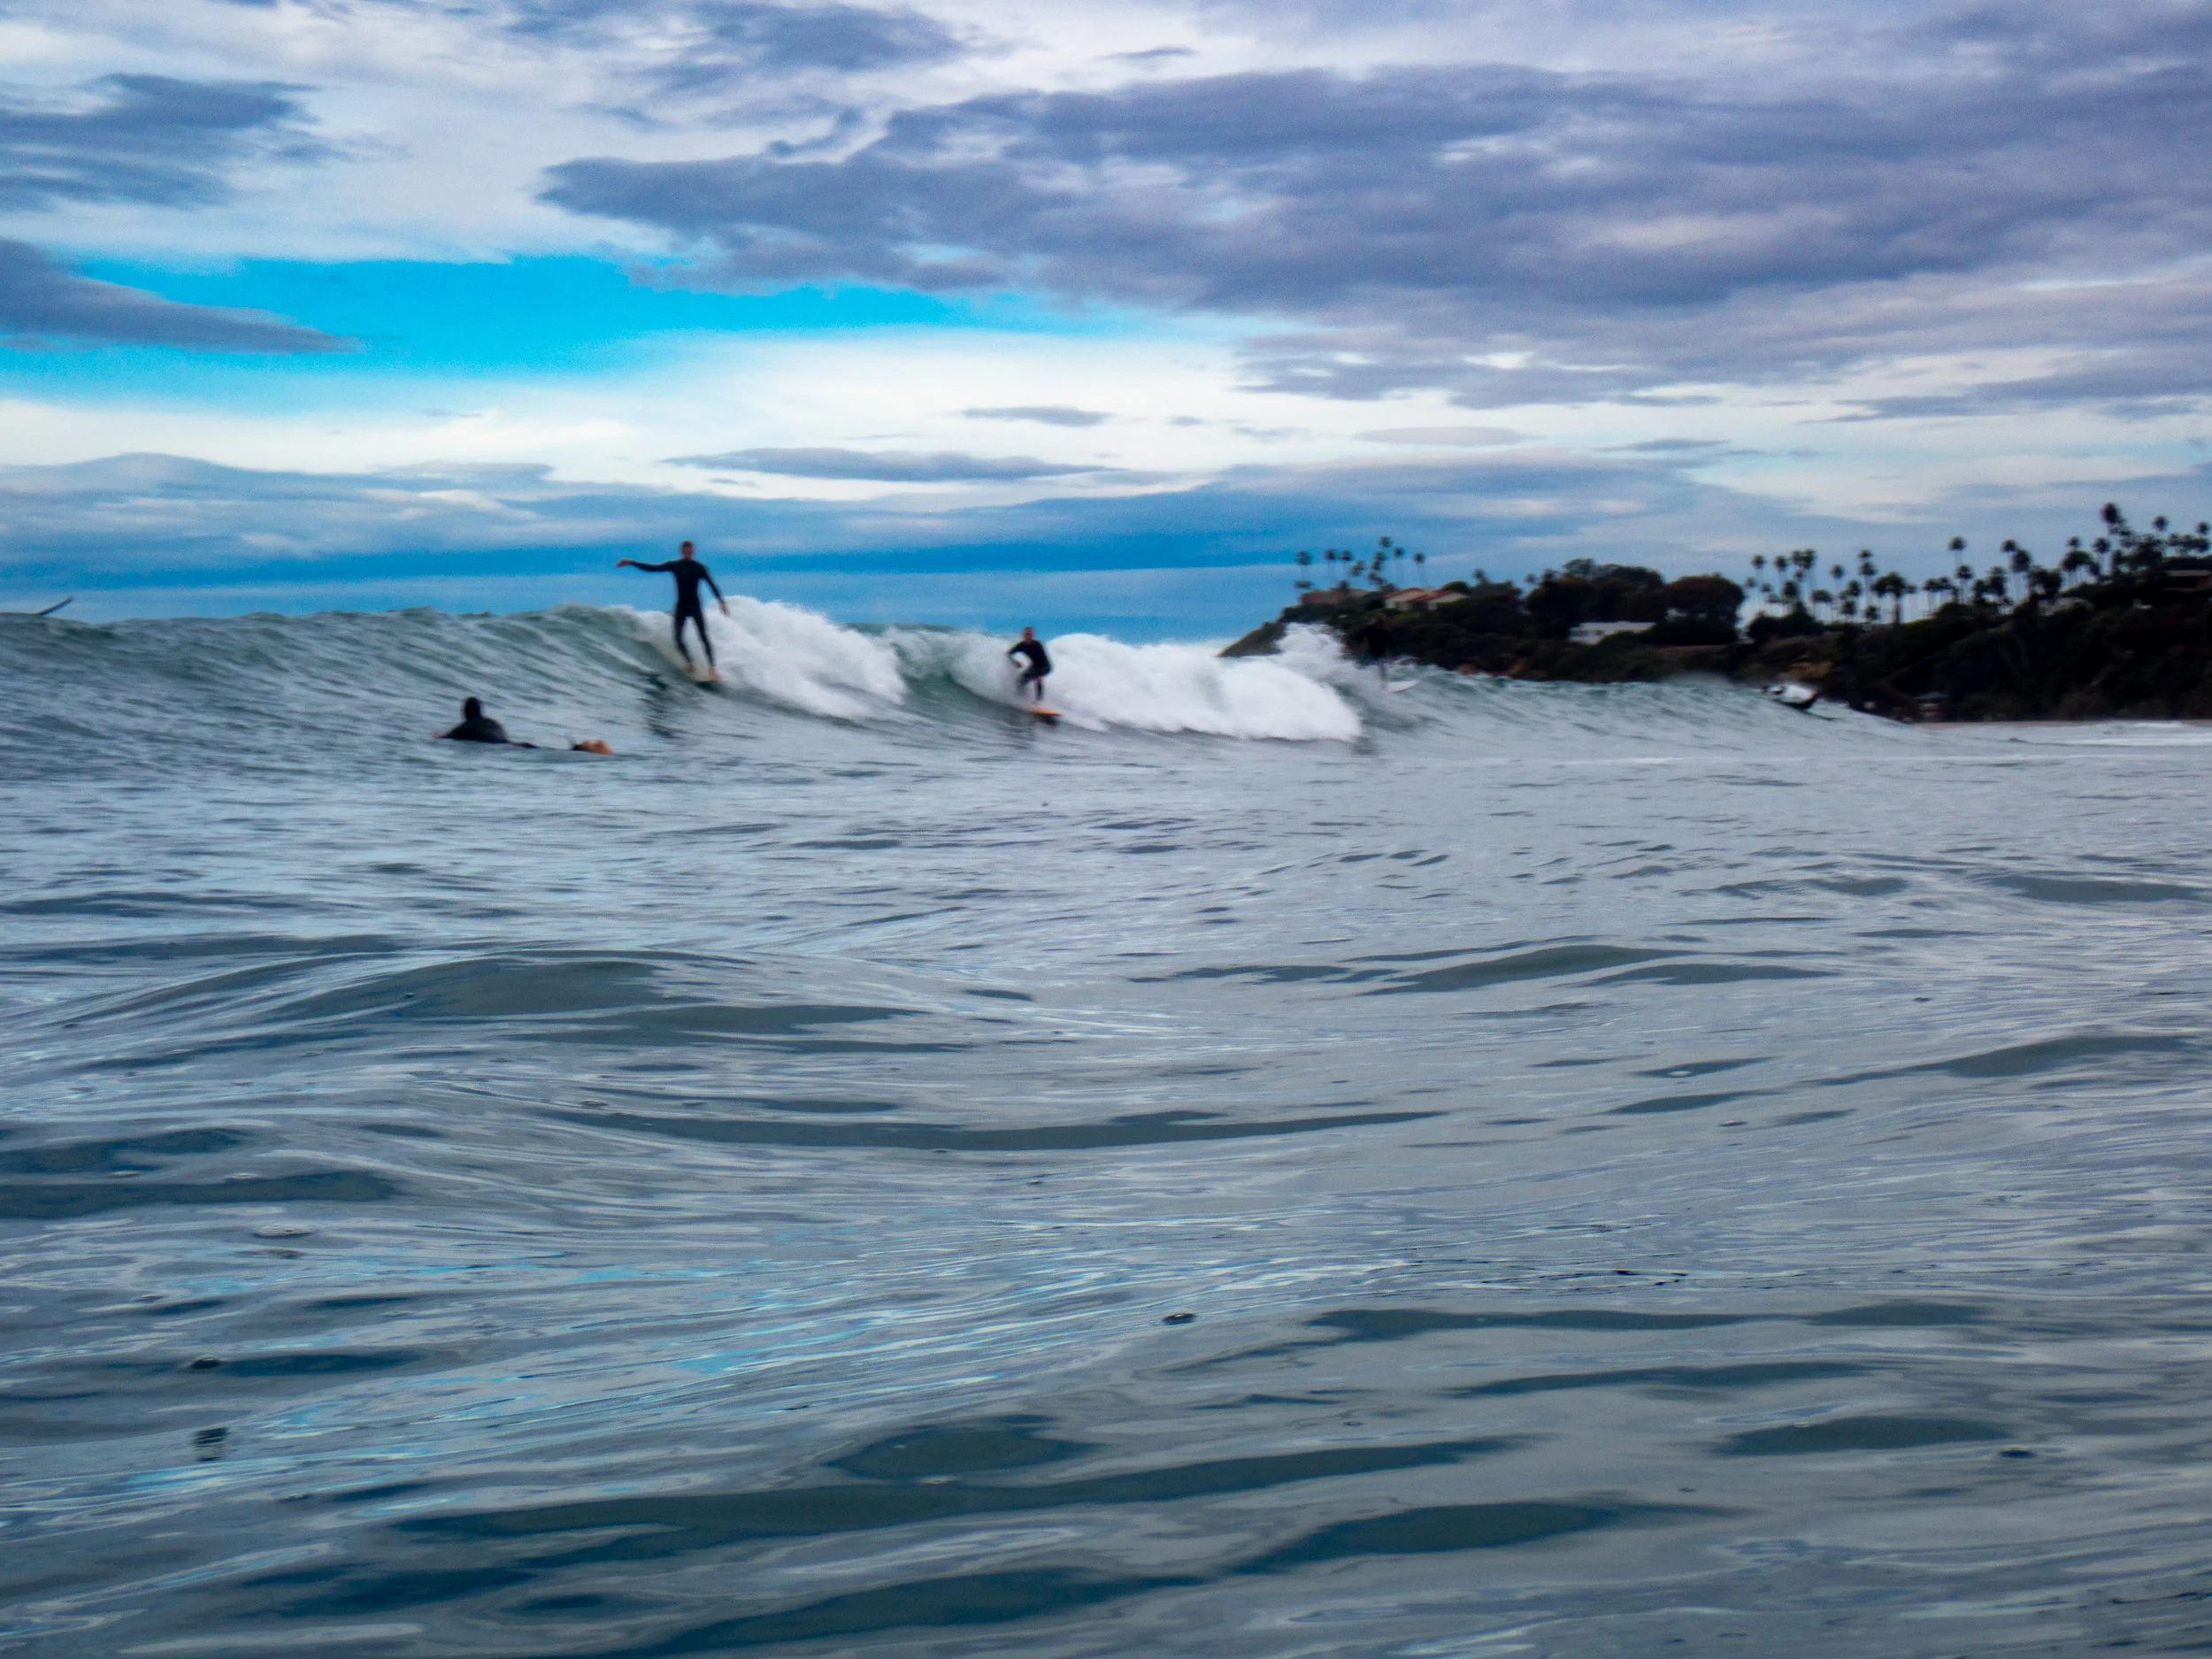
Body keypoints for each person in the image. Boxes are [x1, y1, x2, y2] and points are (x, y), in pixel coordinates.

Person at [618, 540, 728, 674]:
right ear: (682, 552)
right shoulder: (675, 565)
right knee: (677, 638)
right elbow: (652, 568)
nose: (688, 554)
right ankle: (690, 663)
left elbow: (712, 585)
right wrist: (631, 562)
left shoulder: (699, 568)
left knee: (703, 637)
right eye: (686, 552)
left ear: (693, 552)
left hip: (695, 607)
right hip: (681, 607)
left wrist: (721, 602)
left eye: (690, 552)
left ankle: (712, 668)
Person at [1006, 626, 1051, 703]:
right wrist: (1015, 662)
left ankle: (1038, 701)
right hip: (1034, 667)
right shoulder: (1021, 645)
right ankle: (1021, 698)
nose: (1028, 636)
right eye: (1027, 634)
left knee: (1039, 678)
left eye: (1030, 634)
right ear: (1023, 635)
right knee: (1020, 681)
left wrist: (1039, 673)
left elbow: (1043, 659)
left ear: (1032, 635)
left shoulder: (1037, 645)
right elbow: (1008, 654)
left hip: (1045, 666)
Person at [441, 696, 512, 743]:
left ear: (465, 711)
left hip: (485, 738)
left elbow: (447, 737)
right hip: (501, 738)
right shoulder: (494, 723)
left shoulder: (465, 727)